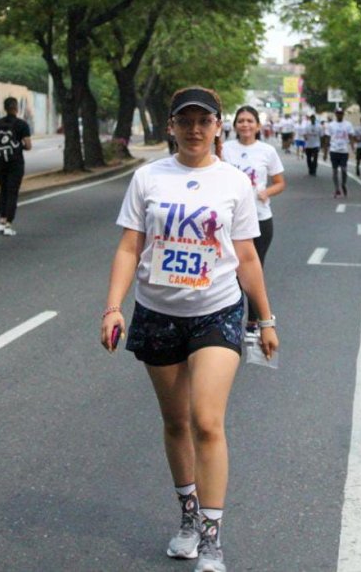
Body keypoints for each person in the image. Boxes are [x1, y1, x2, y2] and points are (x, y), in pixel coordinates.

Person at [100, 86, 279, 572]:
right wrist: (113, 308)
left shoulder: (234, 182)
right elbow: (128, 247)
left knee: (205, 419)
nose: (195, 129)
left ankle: (213, 538)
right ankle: (187, 518)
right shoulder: (147, 178)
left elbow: (245, 256)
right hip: (156, 311)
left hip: (217, 309)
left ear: (217, 126)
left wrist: (264, 318)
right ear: (172, 127)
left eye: (204, 120)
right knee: (176, 421)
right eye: (186, 121)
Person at [221, 105, 286, 338]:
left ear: (258, 126)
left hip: (260, 218)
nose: (245, 125)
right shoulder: (225, 149)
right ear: (234, 125)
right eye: (241, 121)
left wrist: (267, 192)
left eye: (250, 121)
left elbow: (280, 182)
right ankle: (229, 318)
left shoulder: (267, 151)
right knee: (231, 270)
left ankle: (253, 322)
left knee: (253, 269)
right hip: (229, 220)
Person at [0, 96, 32, 236]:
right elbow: (28, 146)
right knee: (12, 192)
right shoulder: (22, 125)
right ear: (16, 108)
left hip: (0, 163)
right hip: (16, 163)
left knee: (3, 190)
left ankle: (1, 222)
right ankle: (9, 224)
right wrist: (19, 145)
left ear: (5, 108)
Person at [326, 108, 356, 198]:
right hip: (334, 150)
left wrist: (352, 147)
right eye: (338, 113)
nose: (339, 115)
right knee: (335, 171)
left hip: (344, 150)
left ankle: (343, 184)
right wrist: (325, 151)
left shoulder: (348, 125)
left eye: (341, 113)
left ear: (343, 114)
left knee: (344, 169)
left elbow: (351, 136)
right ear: (336, 114)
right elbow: (327, 137)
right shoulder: (331, 125)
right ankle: (336, 188)